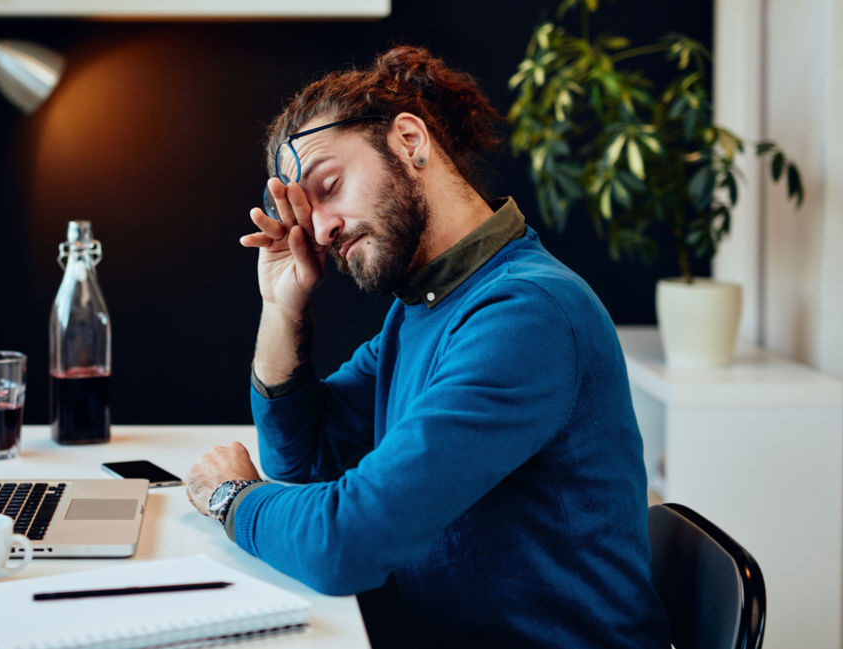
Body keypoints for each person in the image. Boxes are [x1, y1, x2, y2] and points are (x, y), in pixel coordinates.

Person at [184, 46, 670, 648]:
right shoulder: (424, 308)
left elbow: (347, 544)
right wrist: (283, 308)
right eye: (306, 213)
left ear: (410, 141)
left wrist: (233, 499)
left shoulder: (525, 314)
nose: (320, 229)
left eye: (329, 186)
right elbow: (302, 460)